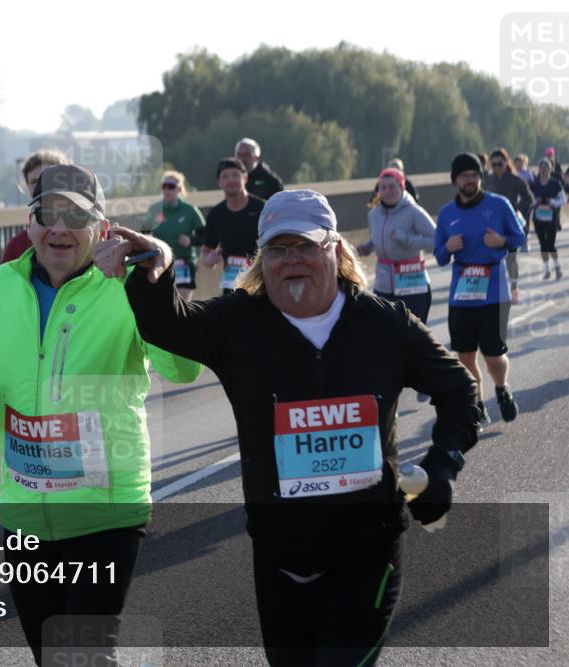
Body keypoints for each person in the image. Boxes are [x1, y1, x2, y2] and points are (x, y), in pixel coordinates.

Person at [93, 188, 479, 666]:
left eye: (305, 245)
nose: (291, 259)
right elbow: (168, 324)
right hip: (280, 559)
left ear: (336, 249)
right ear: (262, 260)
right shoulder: (239, 323)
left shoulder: (384, 325)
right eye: (278, 248)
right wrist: (158, 265)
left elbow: (459, 390)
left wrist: (442, 467)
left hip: (368, 551)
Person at [0, 164, 202, 666]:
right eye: (48, 213)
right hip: (25, 511)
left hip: (105, 510)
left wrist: (155, 285)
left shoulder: (126, 287)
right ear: (29, 222)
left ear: (102, 230)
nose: (59, 228)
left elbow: (184, 367)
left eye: (77, 216)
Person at [435, 152, 525, 430]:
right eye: (465, 176)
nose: (471, 180)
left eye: (475, 175)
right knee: (465, 357)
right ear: (455, 180)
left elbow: (519, 236)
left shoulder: (499, 205)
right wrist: (447, 248)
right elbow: (439, 256)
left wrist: (502, 241)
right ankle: (478, 406)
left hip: (494, 292)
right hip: (461, 295)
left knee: (494, 356)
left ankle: (502, 388)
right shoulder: (446, 214)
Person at [356, 168, 437, 324]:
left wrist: (407, 239)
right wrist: (365, 248)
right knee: (386, 333)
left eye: (392, 186)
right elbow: (376, 239)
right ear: (378, 191)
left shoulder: (413, 212)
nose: (388, 191)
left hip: (412, 284)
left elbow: (436, 241)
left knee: (412, 334)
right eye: (383, 187)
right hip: (383, 285)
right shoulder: (373, 215)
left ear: (402, 187)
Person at [201, 157, 265, 294]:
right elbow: (205, 252)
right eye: (225, 176)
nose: (230, 180)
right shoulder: (216, 214)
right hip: (231, 288)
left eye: (235, 175)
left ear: (245, 178)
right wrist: (208, 259)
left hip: (262, 285)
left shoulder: (262, 208)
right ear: (219, 183)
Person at [142, 170, 206, 300]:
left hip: (184, 263)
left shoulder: (190, 210)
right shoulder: (154, 209)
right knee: (162, 302)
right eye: (164, 186)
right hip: (160, 262)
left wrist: (190, 241)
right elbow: (143, 235)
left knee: (182, 303)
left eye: (171, 186)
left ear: (179, 189)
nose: (167, 189)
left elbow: (206, 236)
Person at [2, 149, 71, 263]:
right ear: (27, 187)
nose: (41, 186)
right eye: (34, 181)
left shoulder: (86, 236)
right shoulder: (18, 245)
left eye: (48, 179)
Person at [483, 148, 533, 302]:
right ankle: (491, 291)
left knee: (511, 258)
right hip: (491, 225)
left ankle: (514, 289)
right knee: (490, 259)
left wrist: (516, 210)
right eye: (494, 164)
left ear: (506, 163)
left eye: (500, 164)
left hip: (510, 225)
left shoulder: (514, 180)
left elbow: (528, 199)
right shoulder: (486, 180)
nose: (497, 167)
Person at [529, 158, 566, 279]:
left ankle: (557, 267)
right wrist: (536, 201)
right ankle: (546, 270)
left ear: (550, 169)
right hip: (538, 218)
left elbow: (563, 199)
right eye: (541, 167)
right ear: (538, 169)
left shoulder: (555, 184)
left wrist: (553, 202)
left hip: (551, 218)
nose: (543, 169)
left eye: (546, 167)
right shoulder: (534, 184)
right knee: (543, 244)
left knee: (550, 245)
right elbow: (528, 199)